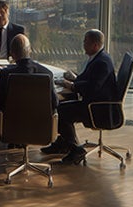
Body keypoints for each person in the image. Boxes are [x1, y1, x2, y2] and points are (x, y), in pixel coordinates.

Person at [51, 28, 120, 164]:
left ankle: (75, 149)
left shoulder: (102, 63)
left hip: (97, 108)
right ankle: (64, 144)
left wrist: (71, 85)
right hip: (93, 102)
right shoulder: (98, 58)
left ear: (94, 45)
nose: (83, 44)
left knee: (60, 112)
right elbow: (88, 80)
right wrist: (74, 79)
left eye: (85, 42)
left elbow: (93, 88)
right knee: (65, 105)